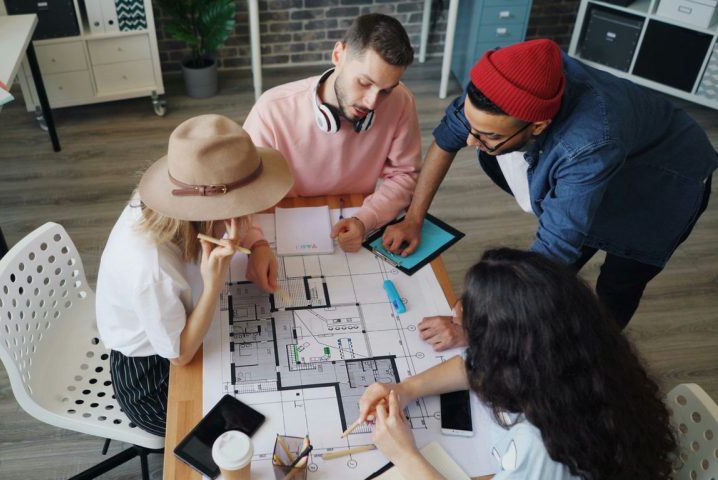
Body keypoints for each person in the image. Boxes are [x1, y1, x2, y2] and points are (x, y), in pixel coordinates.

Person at [381, 39, 716, 346]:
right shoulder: (507, 82)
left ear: (538, 126)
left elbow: (554, 247)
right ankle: (530, 329)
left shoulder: (589, 142)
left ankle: (601, 352)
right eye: (472, 126)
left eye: (487, 137)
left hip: (663, 183)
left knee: (617, 283)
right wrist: (413, 218)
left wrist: (478, 319)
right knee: (556, 272)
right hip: (614, 154)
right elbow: (447, 138)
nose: (471, 141)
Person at [358, 248, 677, 479]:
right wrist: (404, 389)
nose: (456, 313)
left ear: (509, 352)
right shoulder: (583, 354)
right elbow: (475, 366)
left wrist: (403, 454)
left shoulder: (541, 445)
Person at [95, 115, 293, 476]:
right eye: (242, 210)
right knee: (248, 434)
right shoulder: (150, 269)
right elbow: (181, 354)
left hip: (174, 329)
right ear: (210, 214)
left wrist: (257, 243)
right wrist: (214, 282)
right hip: (150, 375)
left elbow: (230, 214)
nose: (249, 215)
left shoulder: (175, 204)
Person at [243, 13, 421, 253]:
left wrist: (364, 220)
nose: (372, 102)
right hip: (282, 224)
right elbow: (242, 190)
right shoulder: (271, 109)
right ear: (339, 55)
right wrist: (256, 243)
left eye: (385, 91)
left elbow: (405, 175)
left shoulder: (401, 102)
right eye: (365, 83)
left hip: (356, 218)